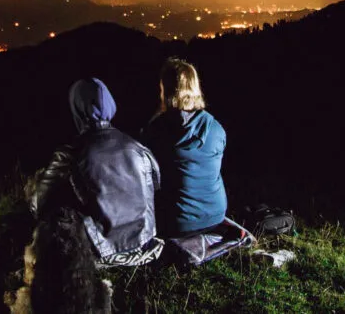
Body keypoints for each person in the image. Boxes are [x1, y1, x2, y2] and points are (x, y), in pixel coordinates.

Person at [31, 77, 163, 267]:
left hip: (100, 254)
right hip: (145, 246)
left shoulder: (69, 154)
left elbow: (39, 205)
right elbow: (156, 187)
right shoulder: (138, 148)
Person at [143, 58, 227, 237]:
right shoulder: (216, 128)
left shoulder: (157, 130)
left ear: (166, 90)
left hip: (178, 222)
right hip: (216, 215)